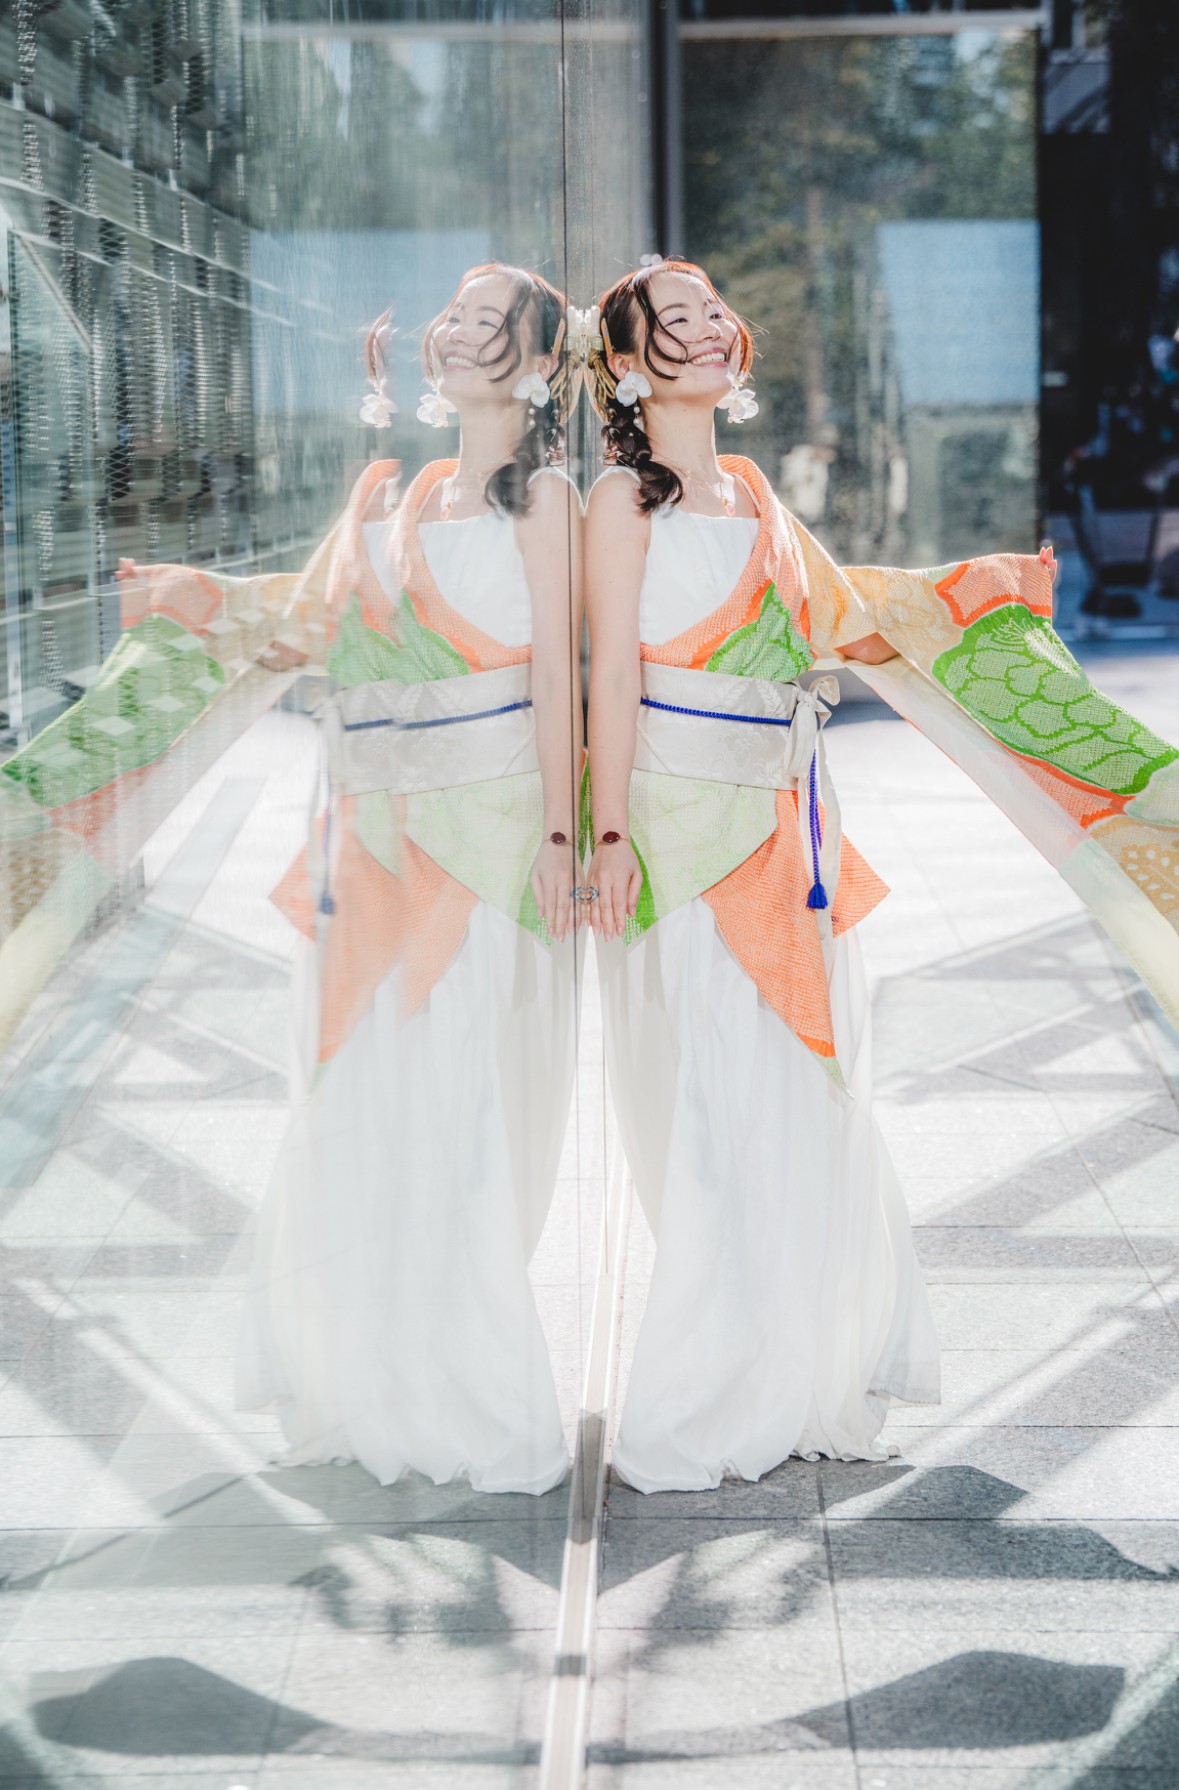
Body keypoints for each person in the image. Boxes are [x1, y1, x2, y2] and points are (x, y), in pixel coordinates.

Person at [581, 259, 1179, 1494]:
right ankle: (713, 1383)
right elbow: (611, 683)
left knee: (798, 1099)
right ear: (627, 366)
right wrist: (606, 834)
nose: (711, 326)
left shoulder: (756, 494)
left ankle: (799, 1371)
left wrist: (981, 602)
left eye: (713, 308)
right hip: (679, 839)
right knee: (714, 1105)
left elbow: (853, 616)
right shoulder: (618, 503)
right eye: (676, 318)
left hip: (786, 833)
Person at [4, 264, 585, 1494]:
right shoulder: (388, 494)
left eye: (490, 320)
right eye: (453, 312)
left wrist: (559, 835)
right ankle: (366, 1366)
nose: (457, 329)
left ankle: (463, 1374)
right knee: (362, 1094)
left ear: (541, 363)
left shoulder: (548, 504)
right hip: (364, 842)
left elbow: (556, 682)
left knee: (455, 1098)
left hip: (479, 843)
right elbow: (324, 626)